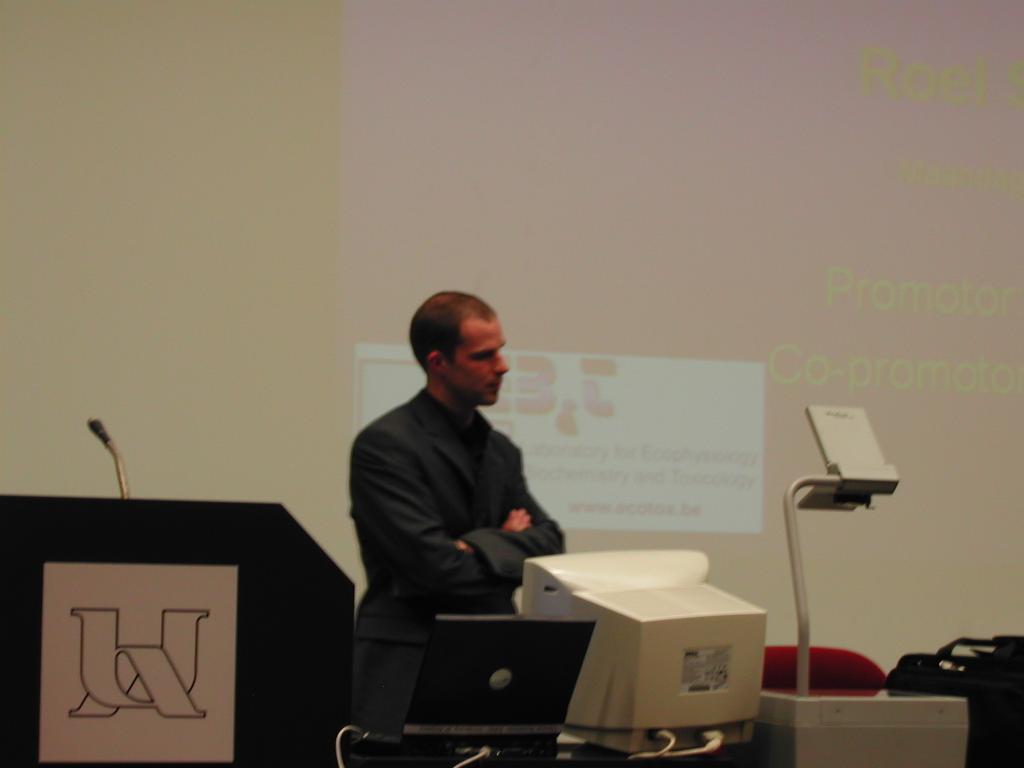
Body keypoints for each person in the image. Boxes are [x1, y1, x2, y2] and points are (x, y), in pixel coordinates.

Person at [349, 291, 564, 739]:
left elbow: (550, 544)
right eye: (484, 355)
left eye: (501, 350)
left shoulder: (500, 450)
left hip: (493, 660)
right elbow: (436, 568)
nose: (502, 366)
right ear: (438, 363)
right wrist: (503, 541)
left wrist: (474, 544)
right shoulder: (385, 446)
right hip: (407, 665)